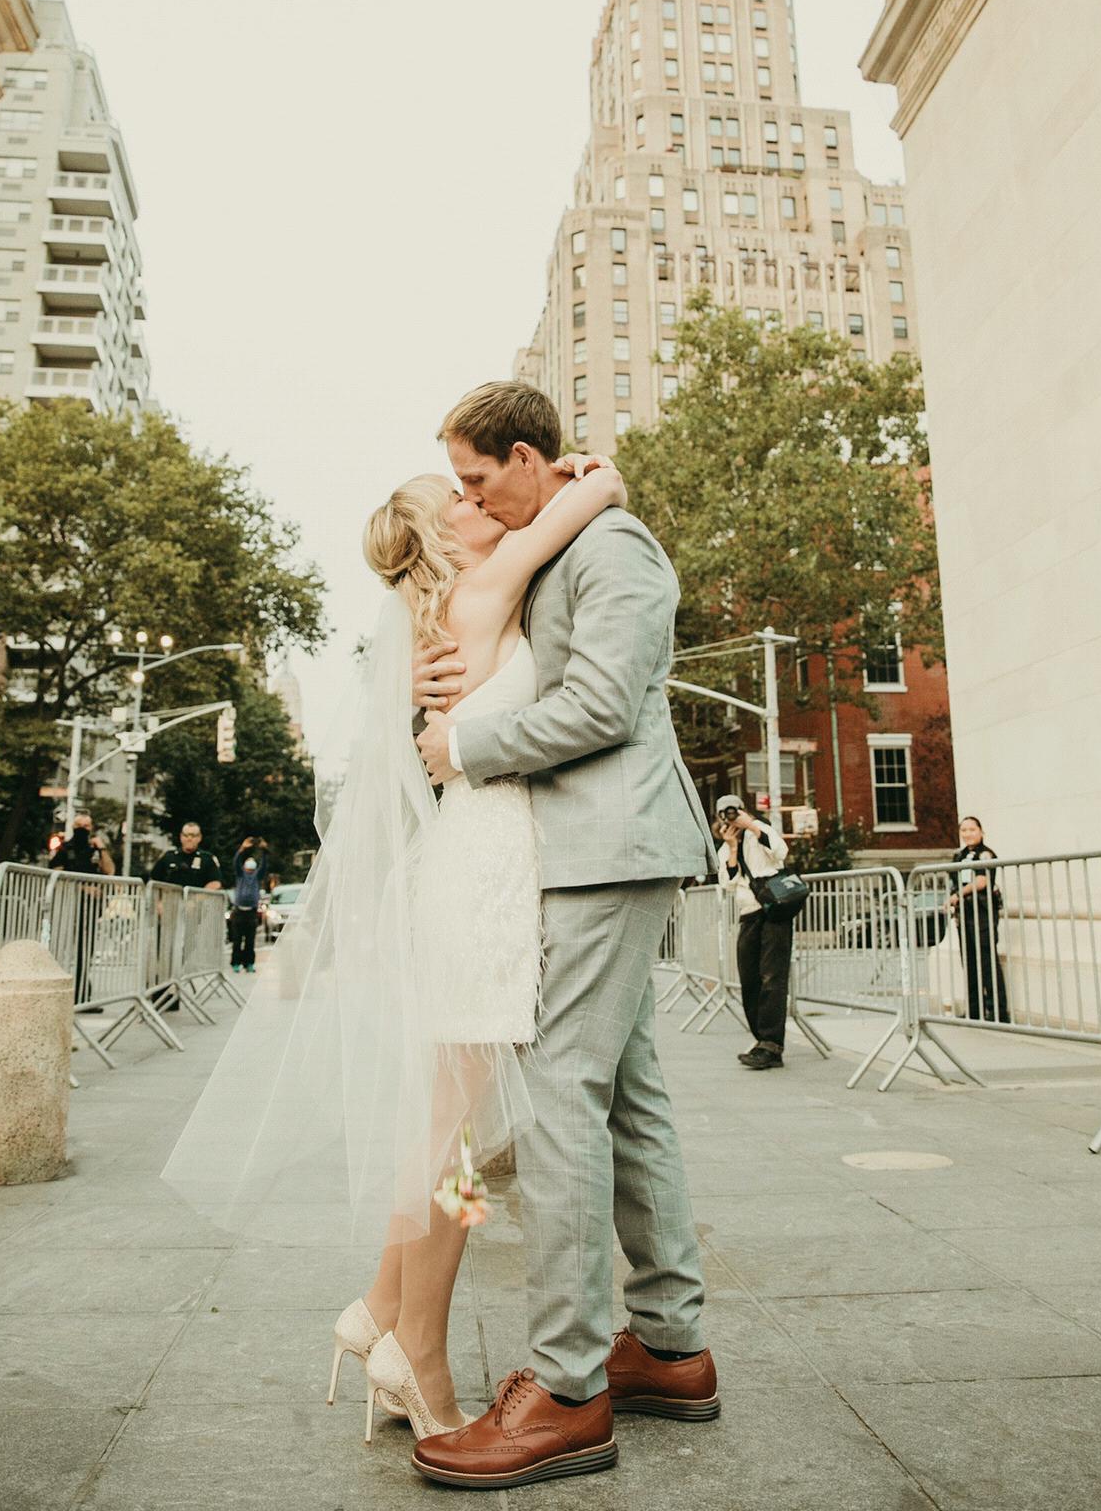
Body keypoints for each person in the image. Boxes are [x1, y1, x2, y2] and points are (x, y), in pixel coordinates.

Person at [164, 409, 648, 1470]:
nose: (478, 505)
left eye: (477, 493)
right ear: (446, 540)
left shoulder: (457, 609)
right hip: (477, 888)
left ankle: (382, 1311)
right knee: (454, 1146)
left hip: (479, 881)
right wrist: (589, 471)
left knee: (454, 1133)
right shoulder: (482, 590)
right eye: (461, 501)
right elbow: (589, 497)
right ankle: (412, 1347)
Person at [410, 381, 719, 1490]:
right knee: (626, 1094)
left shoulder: (616, 551)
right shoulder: (556, 547)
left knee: (556, 1094)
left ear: (527, 455)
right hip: (583, 850)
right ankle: (670, 1346)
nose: (469, 497)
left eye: (479, 477)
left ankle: (567, 1385)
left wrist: (466, 748)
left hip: (610, 849)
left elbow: (602, 706)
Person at [714, 796, 794, 1071]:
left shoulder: (761, 829)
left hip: (774, 912)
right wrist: (732, 847)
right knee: (749, 979)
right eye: (726, 815)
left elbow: (781, 852)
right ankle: (762, 1041)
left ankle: (772, 1045)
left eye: (734, 811)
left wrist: (752, 826)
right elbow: (729, 884)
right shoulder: (726, 848)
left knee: (772, 977)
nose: (731, 818)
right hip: (749, 915)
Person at [147, 822, 223, 1013]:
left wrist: (195, 900)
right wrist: (159, 903)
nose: (189, 838)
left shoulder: (206, 859)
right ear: (181, 837)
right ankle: (160, 994)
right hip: (167, 916)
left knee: (181, 954)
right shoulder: (169, 857)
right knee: (162, 954)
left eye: (193, 835)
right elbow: (153, 881)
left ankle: (173, 988)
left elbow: (215, 883)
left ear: (199, 838)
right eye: (186, 835)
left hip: (192, 916)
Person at [948, 815, 1009, 1022]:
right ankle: (975, 1009)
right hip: (964, 914)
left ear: (981, 832)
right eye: (963, 830)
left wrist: (959, 894)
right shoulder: (959, 856)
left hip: (981, 912)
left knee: (986, 959)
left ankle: (998, 1010)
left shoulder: (986, 854)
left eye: (972, 829)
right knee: (969, 961)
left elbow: (982, 881)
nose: (968, 834)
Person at [54, 811, 114, 1011]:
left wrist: (102, 848)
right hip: (68, 906)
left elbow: (110, 871)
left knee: (85, 951)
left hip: (90, 908)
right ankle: (59, 994)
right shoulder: (65, 848)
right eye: (80, 826)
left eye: (87, 826)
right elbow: (56, 875)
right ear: (73, 827)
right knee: (62, 950)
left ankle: (82, 994)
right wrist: (82, 887)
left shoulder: (94, 849)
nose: (83, 830)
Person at [228, 836, 269, 973]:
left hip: (251, 911)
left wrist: (263, 851)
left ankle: (249, 963)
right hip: (239, 911)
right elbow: (235, 862)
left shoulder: (257, 876)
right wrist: (242, 849)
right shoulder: (241, 874)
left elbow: (264, 866)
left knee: (250, 940)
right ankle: (236, 963)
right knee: (237, 940)